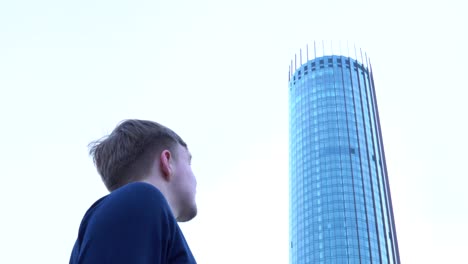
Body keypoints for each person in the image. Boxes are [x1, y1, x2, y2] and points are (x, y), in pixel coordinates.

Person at [69, 119, 198, 264]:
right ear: (167, 161)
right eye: (189, 162)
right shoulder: (142, 199)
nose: (195, 178)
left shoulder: (128, 210)